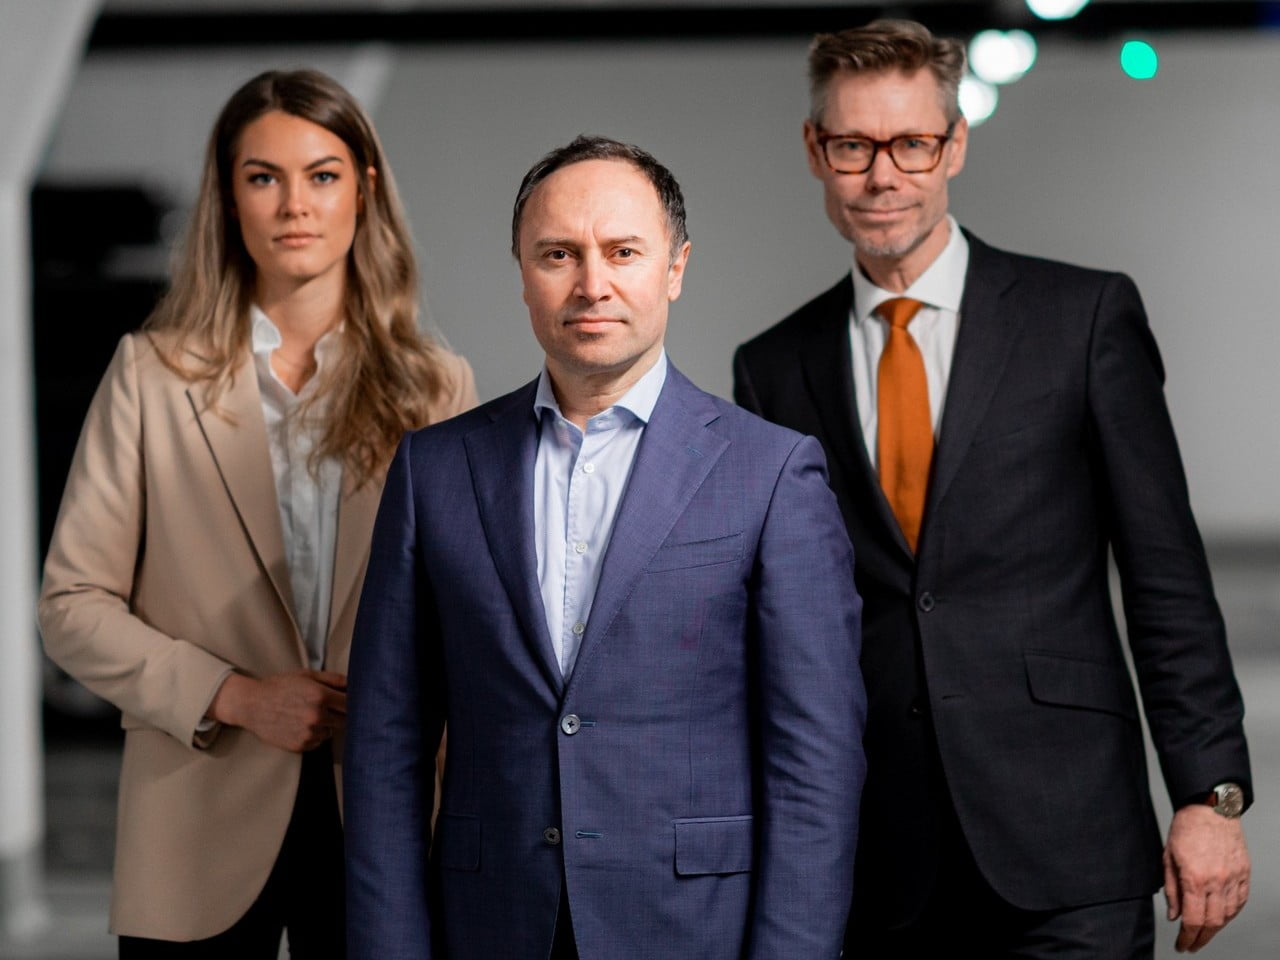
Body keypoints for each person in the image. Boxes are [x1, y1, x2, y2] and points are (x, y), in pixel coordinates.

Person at [732, 18, 1253, 959]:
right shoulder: (773, 367)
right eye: (853, 146)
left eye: (912, 144)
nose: (882, 176)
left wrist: (1207, 795)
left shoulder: (1080, 318)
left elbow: (1165, 572)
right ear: (814, 149)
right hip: (879, 856)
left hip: (1069, 838)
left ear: (955, 144)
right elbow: (782, 623)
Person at [343, 134, 865, 960]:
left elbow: (817, 761)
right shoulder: (434, 470)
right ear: (523, 274)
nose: (592, 284)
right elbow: (384, 746)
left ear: (675, 268)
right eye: (559, 254)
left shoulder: (771, 472)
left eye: (624, 251)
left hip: (695, 930)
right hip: (489, 926)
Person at [37, 68, 476, 956]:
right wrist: (235, 696)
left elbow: (462, 611)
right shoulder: (150, 376)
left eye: (322, 175)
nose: (294, 205)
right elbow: (71, 608)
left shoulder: (437, 386)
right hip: (194, 813)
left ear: (365, 189)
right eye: (263, 177)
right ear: (229, 196)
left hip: (381, 815)